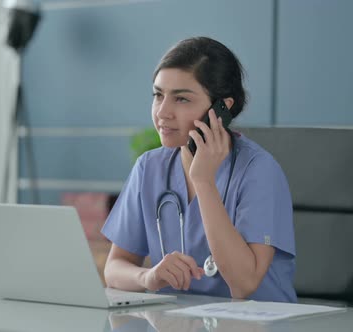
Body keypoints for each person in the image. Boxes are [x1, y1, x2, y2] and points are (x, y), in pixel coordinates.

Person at [101, 37, 297, 302]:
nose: (163, 112)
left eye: (181, 99)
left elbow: (244, 285)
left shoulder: (259, 171)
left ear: (221, 108)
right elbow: (114, 269)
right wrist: (147, 278)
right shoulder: (149, 168)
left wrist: (203, 181)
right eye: (158, 95)